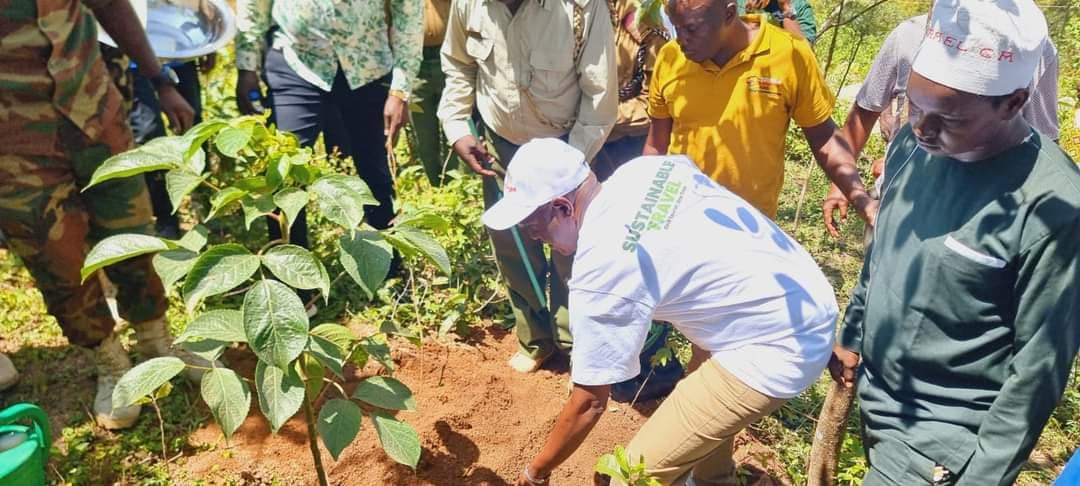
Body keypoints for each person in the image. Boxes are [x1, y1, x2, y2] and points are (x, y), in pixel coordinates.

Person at [483, 139, 838, 485]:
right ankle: (713, 480)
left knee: (630, 477)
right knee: (698, 394)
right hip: (801, 293)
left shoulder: (601, 271)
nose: (532, 236)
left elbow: (589, 402)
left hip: (775, 346)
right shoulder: (644, 171)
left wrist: (536, 472)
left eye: (532, 224)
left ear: (562, 208)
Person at [828, 1, 1080, 484]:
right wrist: (854, 332)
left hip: (943, 437)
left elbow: (1037, 373)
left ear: (1013, 101)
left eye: (950, 118)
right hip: (878, 400)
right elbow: (883, 253)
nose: (923, 129)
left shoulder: (1053, 207)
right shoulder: (910, 147)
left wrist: (983, 476)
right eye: (916, 107)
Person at [0, 0, 212, 430]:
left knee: (132, 231)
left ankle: (157, 342)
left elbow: (111, 5)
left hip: (95, 114)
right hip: (15, 142)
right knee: (57, 258)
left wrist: (158, 78)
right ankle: (109, 361)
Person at [438, 0, 617, 372]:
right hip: (502, 144)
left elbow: (599, 93)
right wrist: (457, 125)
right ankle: (537, 340)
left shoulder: (580, 8)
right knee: (515, 244)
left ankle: (577, 346)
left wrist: (568, 169)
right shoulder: (470, 4)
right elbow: (458, 63)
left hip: (569, 143)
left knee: (574, 249)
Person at [820, 12, 1060, 236]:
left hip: (983, 213)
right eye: (916, 106)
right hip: (897, 200)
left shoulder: (1033, 50)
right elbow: (864, 113)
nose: (922, 129)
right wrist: (842, 184)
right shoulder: (908, 35)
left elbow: (1043, 138)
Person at [646, 0, 875, 228]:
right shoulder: (670, 58)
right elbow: (657, 146)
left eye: (692, 29)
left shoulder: (789, 54)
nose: (681, 39)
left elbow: (824, 138)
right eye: (677, 27)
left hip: (751, 227)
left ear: (729, 14)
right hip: (678, 218)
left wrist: (860, 198)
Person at [234, 0, 423, 246]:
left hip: (367, 65)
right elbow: (253, 5)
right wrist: (247, 66)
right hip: (296, 62)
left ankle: (387, 264)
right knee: (282, 170)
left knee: (374, 169)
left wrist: (400, 89)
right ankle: (292, 273)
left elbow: (409, 12)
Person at [591, 0, 669, 183]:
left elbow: (654, 104)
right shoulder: (560, 15)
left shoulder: (641, 24)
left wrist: (594, 119)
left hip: (620, 146)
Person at [411, 0, 459, 187]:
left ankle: (455, 181)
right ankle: (435, 184)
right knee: (422, 131)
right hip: (414, 63)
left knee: (453, 123)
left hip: (447, 57)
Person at [738, 0, 816, 43]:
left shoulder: (799, 6)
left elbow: (806, 53)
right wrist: (748, 13)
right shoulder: (734, 4)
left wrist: (786, 8)